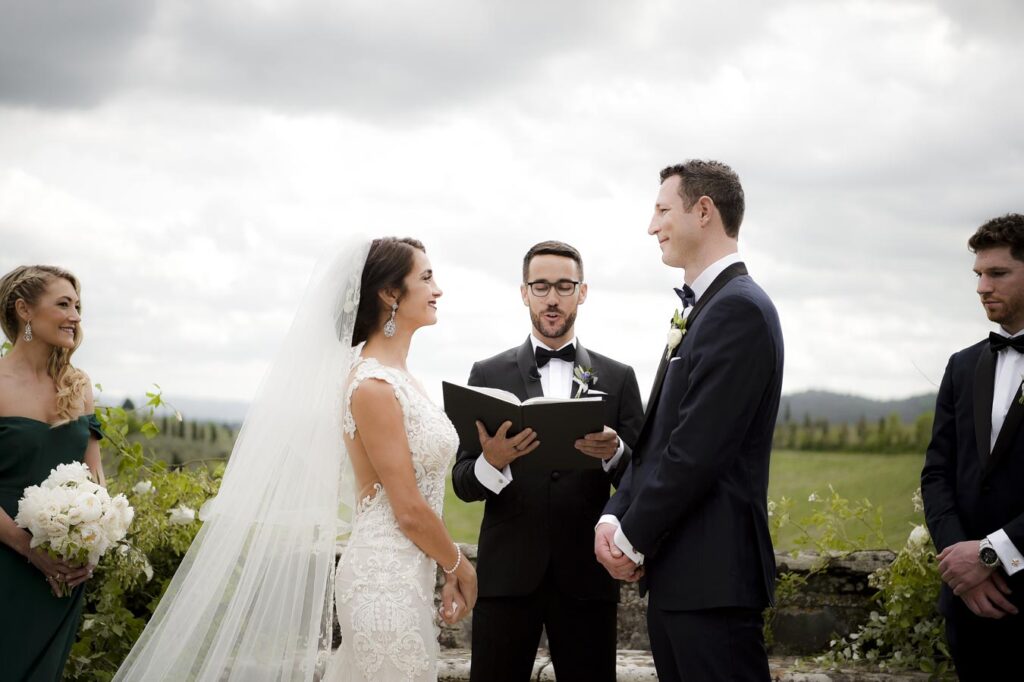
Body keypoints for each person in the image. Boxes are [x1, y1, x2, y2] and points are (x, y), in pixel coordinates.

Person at [113, 237, 474, 682]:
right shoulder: (373, 385)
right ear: (390, 293)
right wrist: (459, 565)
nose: (438, 288)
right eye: (426, 277)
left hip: (406, 574)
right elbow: (409, 508)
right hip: (383, 583)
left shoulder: (400, 378)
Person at [595, 161, 783, 682]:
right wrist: (615, 514)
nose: (651, 226)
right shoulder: (705, 309)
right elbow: (660, 438)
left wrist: (630, 538)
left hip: (713, 580)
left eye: (661, 210)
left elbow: (697, 452)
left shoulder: (737, 310)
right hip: (682, 577)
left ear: (704, 211)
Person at [452, 240, 643, 682]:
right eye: (541, 286)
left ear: (583, 291)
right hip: (506, 578)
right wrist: (492, 461)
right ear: (524, 293)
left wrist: (615, 453)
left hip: (587, 580)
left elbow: (644, 478)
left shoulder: (618, 378)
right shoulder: (487, 374)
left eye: (564, 286)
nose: (552, 298)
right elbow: (462, 482)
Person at [921, 213, 1024, 679]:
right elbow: (937, 473)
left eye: (998, 273)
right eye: (978, 274)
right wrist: (960, 565)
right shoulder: (962, 366)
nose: (983, 286)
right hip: (968, 607)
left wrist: (992, 555)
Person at [0, 265, 104, 681]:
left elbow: (95, 480)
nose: (76, 316)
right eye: (63, 304)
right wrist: (28, 548)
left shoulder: (78, 385)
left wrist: (91, 546)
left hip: (60, 575)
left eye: (78, 305)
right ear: (24, 309)